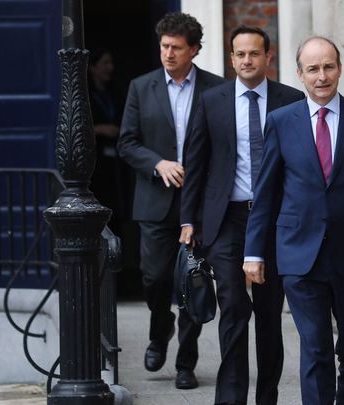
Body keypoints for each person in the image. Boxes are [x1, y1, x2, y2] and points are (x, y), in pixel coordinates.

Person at [243, 36, 344, 405]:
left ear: (340, 69)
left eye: (328, 66)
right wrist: (254, 251)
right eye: (313, 69)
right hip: (300, 254)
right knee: (315, 348)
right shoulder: (281, 122)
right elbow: (265, 193)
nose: (322, 76)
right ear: (300, 74)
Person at [180, 25, 304, 405]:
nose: (246, 60)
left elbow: (301, 165)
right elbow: (195, 162)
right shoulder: (212, 100)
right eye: (239, 54)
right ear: (231, 58)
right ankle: (230, 399)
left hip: (275, 220)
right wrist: (188, 220)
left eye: (254, 54)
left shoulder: (291, 100)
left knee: (269, 315)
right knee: (233, 306)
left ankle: (267, 397)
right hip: (227, 219)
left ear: (268, 57)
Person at [117, 12, 224, 390]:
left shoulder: (216, 89)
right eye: (164, 46)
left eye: (177, 48)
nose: (168, 53)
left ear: (194, 49)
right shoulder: (140, 87)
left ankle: (185, 363)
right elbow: (126, 143)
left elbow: (225, 147)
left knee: (193, 283)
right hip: (155, 202)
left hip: (201, 204)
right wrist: (157, 163)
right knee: (156, 277)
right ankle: (160, 327)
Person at [88, 48, 129, 235]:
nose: (109, 68)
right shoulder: (85, 96)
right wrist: (99, 129)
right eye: (105, 63)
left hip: (116, 161)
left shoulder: (116, 95)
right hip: (94, 162)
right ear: (92, 67)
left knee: (117, 207)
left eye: (111, 63)